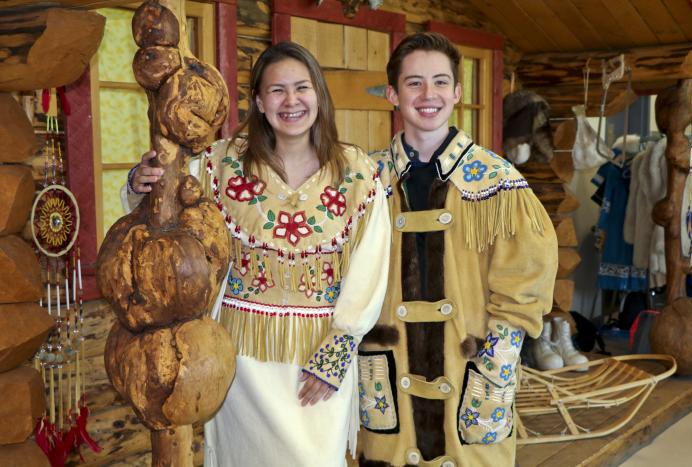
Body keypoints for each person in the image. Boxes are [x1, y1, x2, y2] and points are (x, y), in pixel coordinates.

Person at [124, 41, 391, 467]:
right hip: (241, 360)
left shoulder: (357, 174)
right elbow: (164, 208)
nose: (291, 101)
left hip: (319, 356)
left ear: (319, 95)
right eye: (277, 90)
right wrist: (140, 180)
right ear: (260, 102)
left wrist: (340, 346)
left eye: (302, 88)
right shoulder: (220, 165)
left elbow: (371, 263)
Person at [357, 33, 558, 467]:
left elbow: (525, 285)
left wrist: (497, 365)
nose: (428, 95)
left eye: (440, 82)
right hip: (386, 369)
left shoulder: (498, 183)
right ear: (393, 94)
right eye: (414, 83)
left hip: (472, 372)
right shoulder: (366, 182)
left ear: (458, 92)